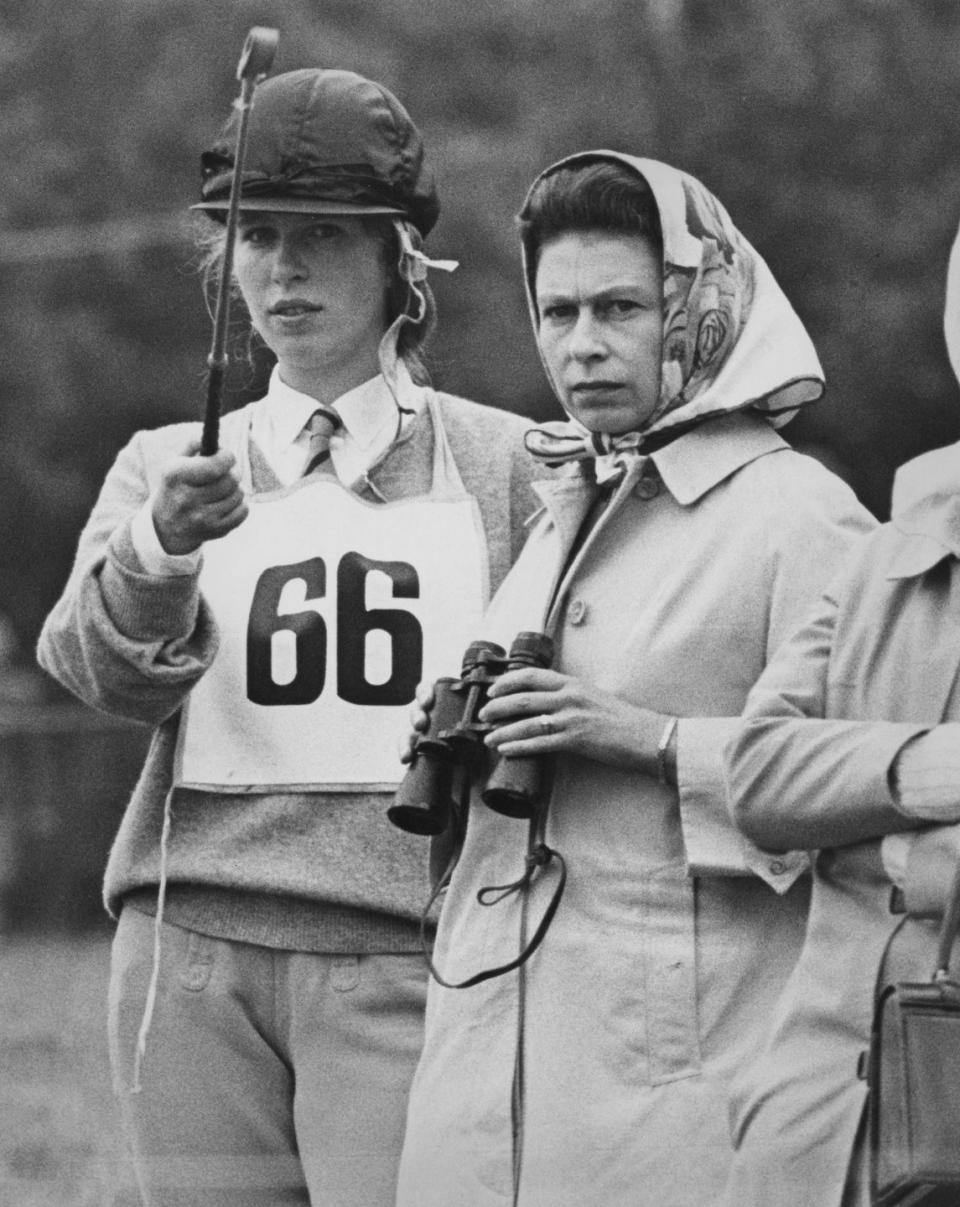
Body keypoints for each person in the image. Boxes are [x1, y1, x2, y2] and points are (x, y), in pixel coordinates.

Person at [36, 68, 542, 1207]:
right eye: (257, 237)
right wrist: (158, 552)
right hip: (191, 954)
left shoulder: (507, 464)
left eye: (325, 234)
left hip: (409, 956)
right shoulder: (165, 462)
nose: (284, 268)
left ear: (402, 262)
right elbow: (93, 673)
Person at [394, 152, 876, 1207]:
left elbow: (878, 785)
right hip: (488, 1066)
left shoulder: (803, 515)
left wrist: (646, 739)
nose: (583, 345)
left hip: (692, 1089)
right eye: (557, 311)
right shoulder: (567, 502)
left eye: (619, 307)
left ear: (702, 308)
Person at [720, 222, 960, 1207]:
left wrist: (883, 837)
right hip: (820, 1123)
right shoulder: (884, 558)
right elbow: (758, 777)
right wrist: (915, 772)